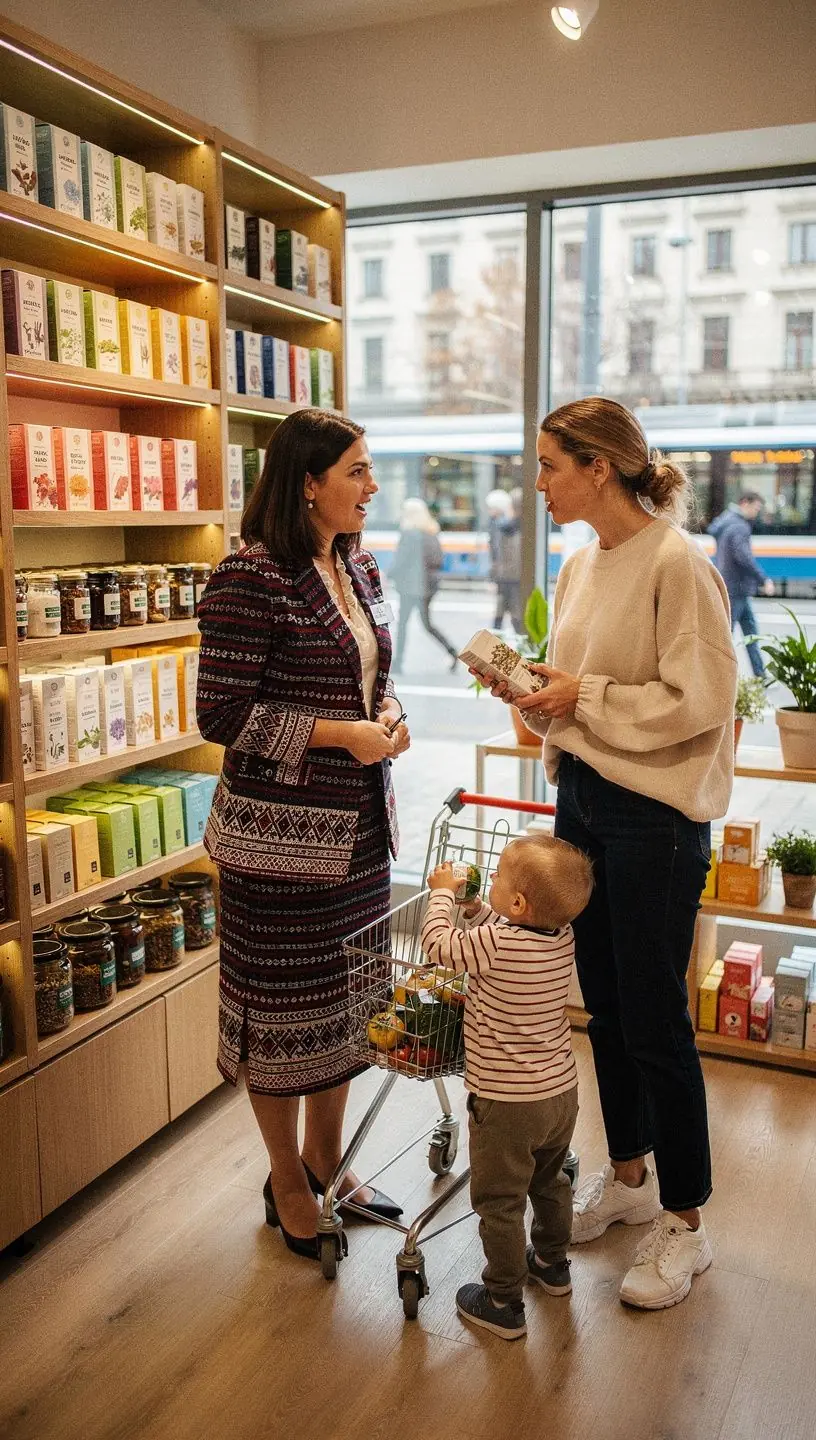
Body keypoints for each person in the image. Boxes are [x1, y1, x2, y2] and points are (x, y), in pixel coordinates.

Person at [474, 396, 737, 1311]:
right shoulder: (583, 562)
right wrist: (531, 693)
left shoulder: (679, 562)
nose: (536, 483)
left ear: (598, 467)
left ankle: (688, 1222)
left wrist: (580, 698)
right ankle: (628, 1177)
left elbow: (699, 697)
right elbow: (576, 689)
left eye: (549, 464)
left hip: (657, 814)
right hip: (585, 796)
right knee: (607, 1008)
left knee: (657, 1018)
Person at [196, 409, 410, 1260]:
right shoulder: (253, 576)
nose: (372, 485)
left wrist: (384, 713)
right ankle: (286, 1173)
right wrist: (338, 735)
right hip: (277, 846)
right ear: (309, 482)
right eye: (357, 470)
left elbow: (367, 675)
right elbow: (222, 714)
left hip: (358, 830)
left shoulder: (353, 563)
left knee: (349, 1005)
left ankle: (330, 1157)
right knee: (282, 1014)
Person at [421, 835, 594, 1341]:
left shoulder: (496, 944)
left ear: (518, 904)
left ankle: (502, 1299)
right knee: (549, 1180)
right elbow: (502, 927)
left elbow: (438, 946)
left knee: (499, 1199)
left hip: (507, 1102)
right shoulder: (559, 935)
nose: (489, 880)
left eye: (497, 877)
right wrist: (480, 908)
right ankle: (552, 1263)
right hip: (559, 1094)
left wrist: (442, 895)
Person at [708, 492, 774, 678]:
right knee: (727, 635)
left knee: (750, 633)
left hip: (733, 586)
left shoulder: (726, 521)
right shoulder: (739, 527)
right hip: (736, 587)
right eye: (755, 508)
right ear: (745, 503)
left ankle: (760, 674)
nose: (756, 512)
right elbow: (743, 557)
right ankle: (716, 675)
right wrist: (763, 579)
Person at [389, 496, 458, 672]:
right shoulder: (431, 532)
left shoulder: (409, 533)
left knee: (403, 624)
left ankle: (397, 663)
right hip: (428, 587)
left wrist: (387, 574)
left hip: (410, 587)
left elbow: (400, 560)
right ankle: (451, 650)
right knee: (427, 624)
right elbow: (438, 560)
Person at [493, 486, 523, 632]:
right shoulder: (528, 528)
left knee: (502, 618)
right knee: (515, 618)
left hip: (507, 579)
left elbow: (501, 556)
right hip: (515, 579)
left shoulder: (505, 528)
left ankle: (491, 652)